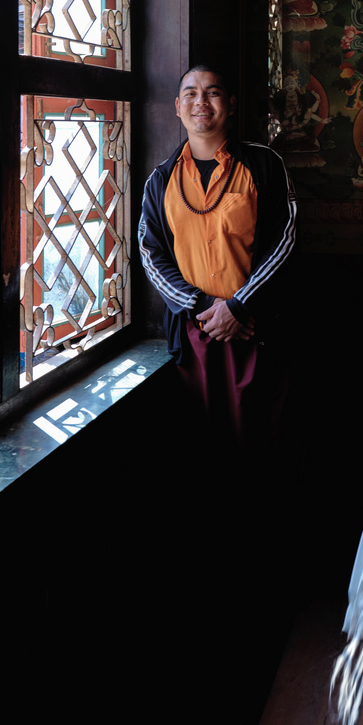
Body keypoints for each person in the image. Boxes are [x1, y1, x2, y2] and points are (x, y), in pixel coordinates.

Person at [138, 64, 297, 446]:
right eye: (191, 93)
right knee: (205, 448)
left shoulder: (263, 166)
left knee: (267, 444)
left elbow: (285, 241)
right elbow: (150, 253)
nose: (200, 102)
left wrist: (239, 307)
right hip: (196, 333)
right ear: (178, 106)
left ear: (230, 103)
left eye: (212, 92)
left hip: (258, 329)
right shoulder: (162, 179)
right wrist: (202, 306)